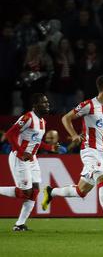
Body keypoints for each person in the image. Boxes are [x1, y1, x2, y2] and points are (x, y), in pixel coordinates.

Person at [41, 75, 103, 232]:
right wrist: (74, 135)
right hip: (90, 150)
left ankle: (51, 192)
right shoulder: (89, 105)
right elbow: (66, 118)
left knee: (81, 191)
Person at [0, 93, 58, 231]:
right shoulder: (28, 117)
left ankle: (20, 224)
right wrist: (21, 152)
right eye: (43, 102)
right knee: (24, 193)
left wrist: (50, 147)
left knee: (35, 190)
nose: (47, 104)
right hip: (19, 158)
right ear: (35, 105)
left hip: (32, 159)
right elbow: (10, 134)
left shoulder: (43, 122)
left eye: (47, 102)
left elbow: (36, 142)